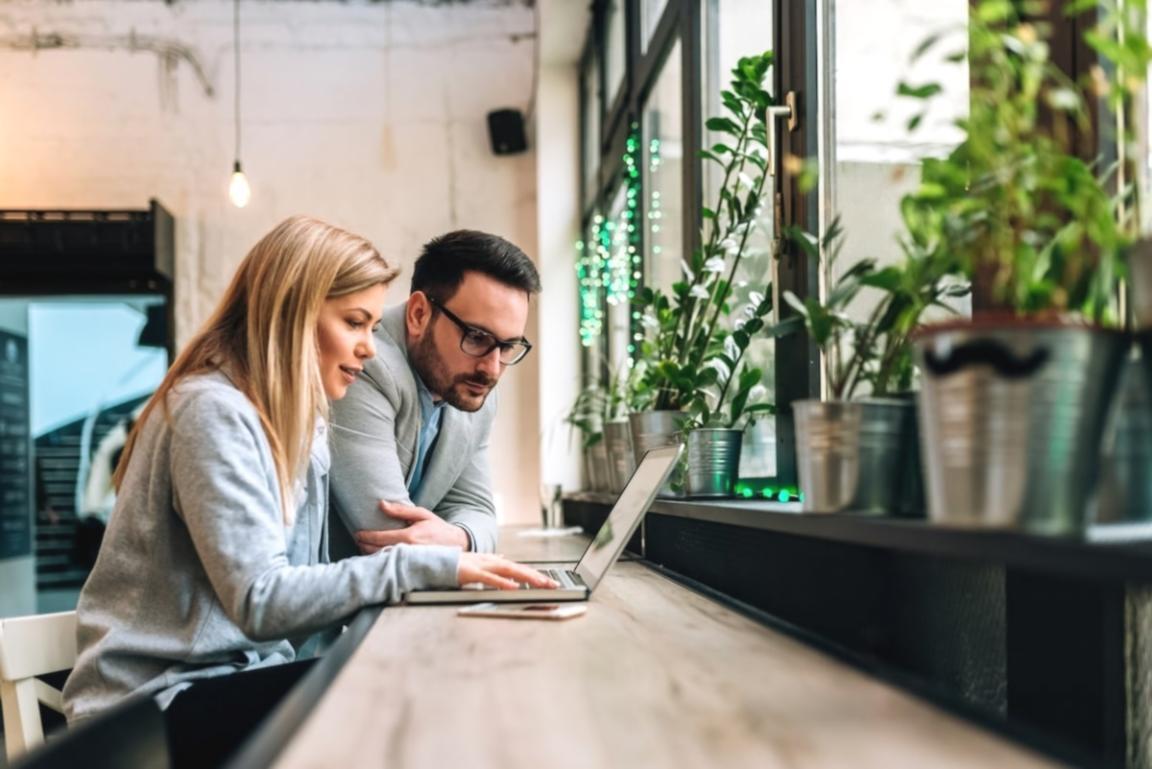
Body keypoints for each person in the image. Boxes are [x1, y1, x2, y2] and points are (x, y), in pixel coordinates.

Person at [62, 216, 555, 769]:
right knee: (413, 702)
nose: (370, 348)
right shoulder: (212, 411)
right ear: (291, 314)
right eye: (354, 323)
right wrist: (433, 565)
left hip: (231, 679)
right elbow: (260, 600)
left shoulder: (295, 421)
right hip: (150, 711)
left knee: (422, 692)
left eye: (371, 326)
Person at [328, 229, 539, 558]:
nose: (493, 369)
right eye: (477, 337)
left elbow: (478, 510)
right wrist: (460, 543)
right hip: (332, 600)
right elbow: (389, 536)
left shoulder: (470, 385)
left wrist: (459, 538)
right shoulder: (361, 365)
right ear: (419, 315)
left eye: (508, 346)